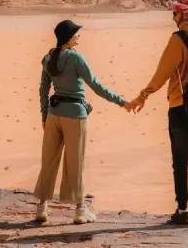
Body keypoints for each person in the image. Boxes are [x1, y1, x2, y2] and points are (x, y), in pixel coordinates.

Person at [131, 0, 188, 226]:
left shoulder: (179, 38)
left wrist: (143, 95)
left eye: (175, 13)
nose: (173, 17)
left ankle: (182, 211)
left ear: (184, 14)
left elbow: (162, 72)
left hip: (180, 106)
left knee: (180, 161)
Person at [33, 19, 134, 224]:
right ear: (69, 37)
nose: (79, 35)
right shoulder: (76, 58)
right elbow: (95, 85)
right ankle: (80, 210)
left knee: (48, 161)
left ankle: (42, 208)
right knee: (75, 162)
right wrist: (122, 102)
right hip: (75, 115)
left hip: (53, 114)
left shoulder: (48, 57)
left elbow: (43, 90)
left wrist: (44, 116)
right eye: (76, 33)